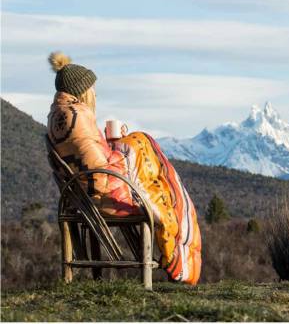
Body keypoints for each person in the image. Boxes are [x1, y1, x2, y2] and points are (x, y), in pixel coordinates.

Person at [46, 52, 201, 285]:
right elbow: (100, 179)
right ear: (82, 90)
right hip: (104, 200)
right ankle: (179, 261)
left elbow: (90, 159)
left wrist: (113, 150)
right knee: (164, 191)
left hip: (79, 198)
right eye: (92, 89)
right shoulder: (79, 118)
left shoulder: (59, 117)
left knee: (143, 151)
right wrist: (123, 155)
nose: (95, 94)